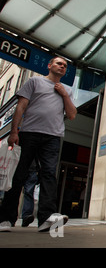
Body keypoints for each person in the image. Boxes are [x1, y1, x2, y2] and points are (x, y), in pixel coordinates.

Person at [0, 56, 77, 232]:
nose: (62, 66)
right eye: (59, 63)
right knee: (18, 175)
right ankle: (5, 219)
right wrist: (14, 132)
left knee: (49, 175)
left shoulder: (66, 90)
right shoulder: (34, 81)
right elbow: (20, 107)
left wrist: (64, 94)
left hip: (53, 137)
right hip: (29, 134)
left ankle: (46, 218)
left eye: (65, 65)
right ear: (49, 65)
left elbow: (72, 115)